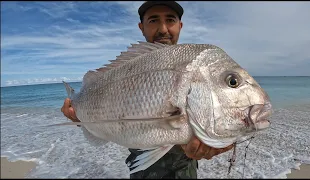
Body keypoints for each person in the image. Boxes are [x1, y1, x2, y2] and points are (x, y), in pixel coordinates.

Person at [61, 1, 233, 179]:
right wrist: (80, 116)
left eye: (170, 20)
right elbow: (107, 114)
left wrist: (221, 138)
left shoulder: (196, 65)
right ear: (141, 27)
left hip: (184, 171)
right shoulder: (127, 69)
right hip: (141, 172)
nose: (163, 29)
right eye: (153, 20)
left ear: (180, 26)